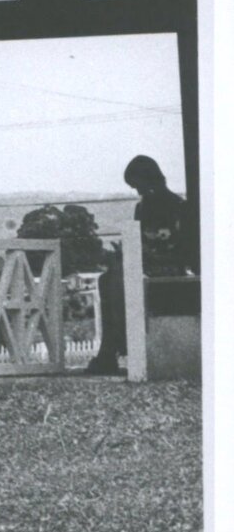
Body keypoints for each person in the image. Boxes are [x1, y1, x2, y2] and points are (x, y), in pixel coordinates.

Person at [86, 155, 194, 375]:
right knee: (108, 278)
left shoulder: (178, 207)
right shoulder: (142, 208)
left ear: (150, 179)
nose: (138, 192)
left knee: (116, 278)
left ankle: (112, 349)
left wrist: (147, 254)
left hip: (167, 267)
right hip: (144, 265)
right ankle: (113, 346)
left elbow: (182, 249)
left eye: (138, 186)